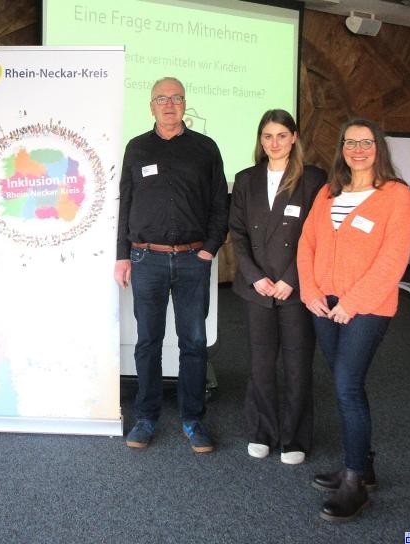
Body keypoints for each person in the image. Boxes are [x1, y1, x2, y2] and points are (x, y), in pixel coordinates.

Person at [297, 118, 410, 522]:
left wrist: (353, 301)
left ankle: (354, 484)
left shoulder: (396, 195)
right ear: (341, 148)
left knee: (346, 386)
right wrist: (310, 292)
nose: (358, 149)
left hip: (367, 306)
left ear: (378, 147)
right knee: (347, 382)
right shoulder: (329, 192)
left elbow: (393, 260)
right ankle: (363, 465)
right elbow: (306, 243)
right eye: (350, 142)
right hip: (323, 305)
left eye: (366, 142)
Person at [115, 76, 228, 452]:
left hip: (193, 261)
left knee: (193, 343)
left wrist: (210, 249)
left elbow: (219, 204)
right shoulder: (136, 148)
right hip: (146, 258)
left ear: (185, 104)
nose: (168, 104)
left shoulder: (205, 148)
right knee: (148, 341)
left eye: (176, 98)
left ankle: (193, 420)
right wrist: (121, 255)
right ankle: (146, 419)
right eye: (161, 99)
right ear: (151, 106)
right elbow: (125, 206)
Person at [229, 110, 326, 465]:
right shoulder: (245, 180)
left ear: (294, 138)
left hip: (295, 288)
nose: (274, 143)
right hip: (256, 288)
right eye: (267, 136)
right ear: (260, 140)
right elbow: (237, 234)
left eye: (281, 135)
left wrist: (290, 279)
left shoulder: (313, 179)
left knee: (298, 365)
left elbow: (315, 237)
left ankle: (295, 437)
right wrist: (255, 276)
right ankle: (262, 431)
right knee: (260, 364)